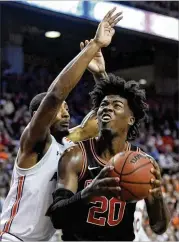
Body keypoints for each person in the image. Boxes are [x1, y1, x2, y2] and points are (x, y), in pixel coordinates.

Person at [0, 7, 123, 241]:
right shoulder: (33, 142)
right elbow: (56, 95)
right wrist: (93, 46)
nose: (66, 113)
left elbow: (106, 117)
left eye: (67, 108)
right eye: (60, 111)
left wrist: (100, 75)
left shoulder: (69, 143)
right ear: (40, 115)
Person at [46, 74, 171, 241]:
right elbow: (56, 217)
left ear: (131, 119)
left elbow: (159, 228)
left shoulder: (144, 163)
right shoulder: (76, 156)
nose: (107, 108)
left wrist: (157, 199)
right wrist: (87, 193)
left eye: (117, 105)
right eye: (103, 104)